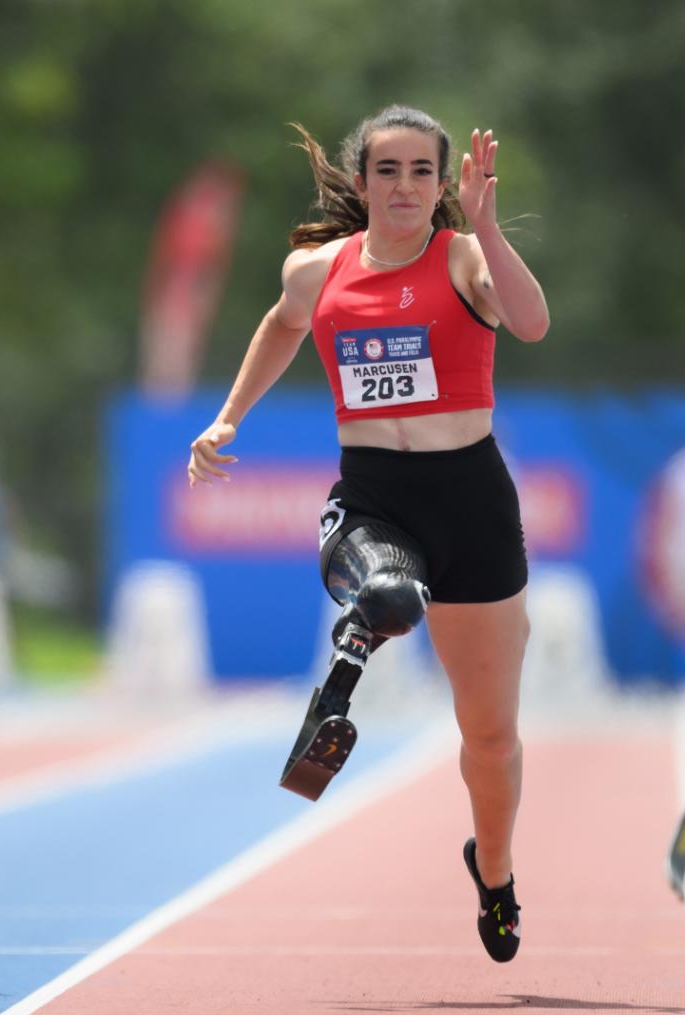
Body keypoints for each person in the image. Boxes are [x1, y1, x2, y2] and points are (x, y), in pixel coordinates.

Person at [187, 105, 550, 963]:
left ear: (444, 184)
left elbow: (531, 324)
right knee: (388, 591)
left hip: (471, 503)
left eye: (422, 172)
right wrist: (228, 417)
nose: (404, 187)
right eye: (387, 171)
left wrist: (489, 226)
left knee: (490, 737)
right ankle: (347, 670)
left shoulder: (463, 257)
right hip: (373, 498)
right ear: (360, 183)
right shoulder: (317, 271)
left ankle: (493, 871)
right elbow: (280, 327)